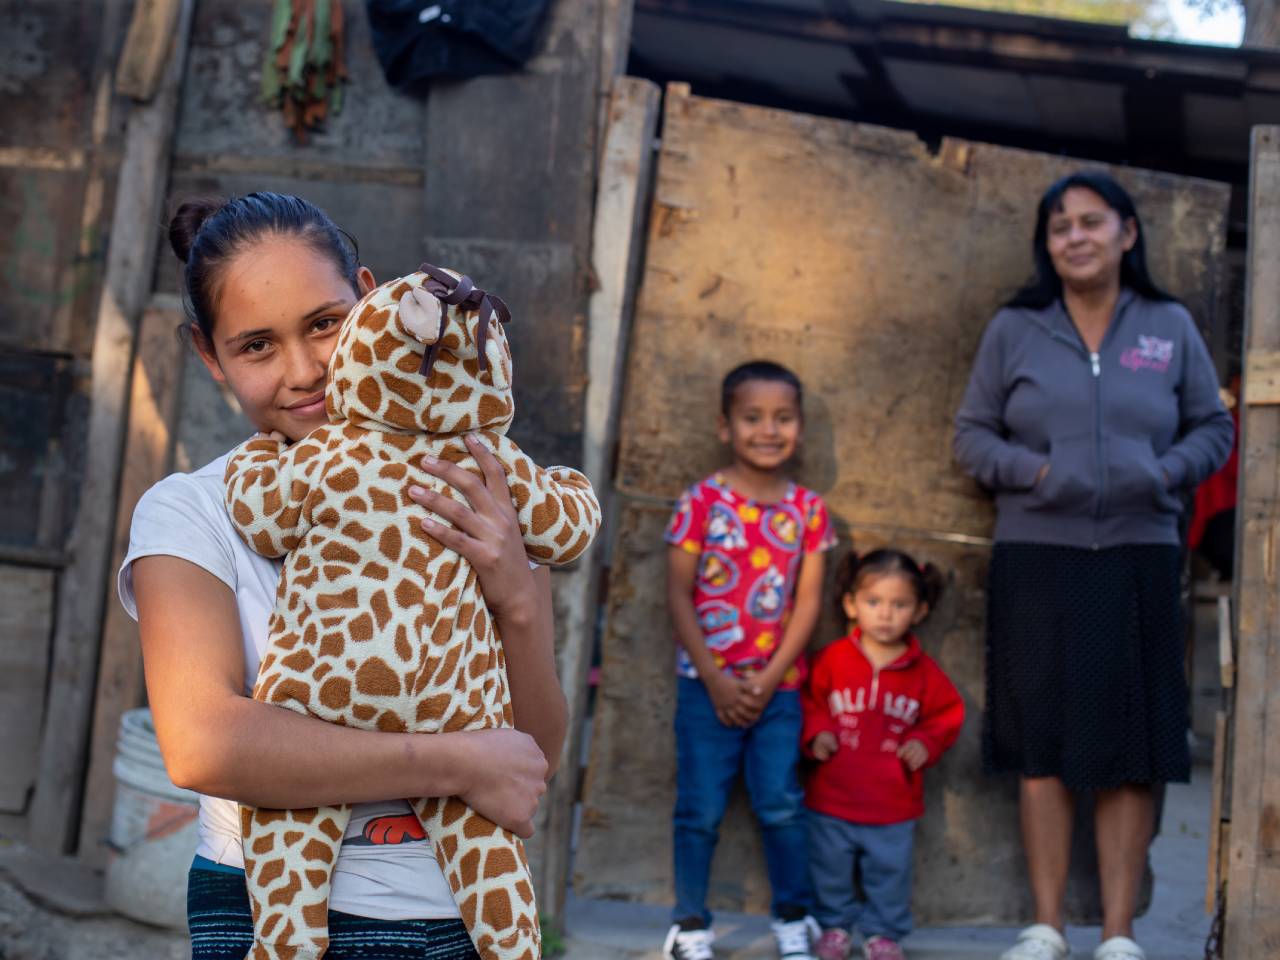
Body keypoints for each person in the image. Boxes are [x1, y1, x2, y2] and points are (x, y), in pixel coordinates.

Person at [119, 193, 566, 960]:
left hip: (466, 918)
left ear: (370, 296)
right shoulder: (193, 512)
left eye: (325, 323)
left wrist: (517, 596)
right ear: (208, 353)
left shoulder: (470, 486)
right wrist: (454, 760)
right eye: (257, 346)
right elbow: (204, 745)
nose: (305, 372)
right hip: (275, 916)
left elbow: (532, 759)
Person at [953, 171, 1233, 960]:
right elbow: (972, 434)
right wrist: (1037, 474)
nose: (1075, 237)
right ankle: (1046, 927)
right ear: (1047, 245)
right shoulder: (1018, 329)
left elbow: (1215, 427)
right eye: (1059, 227)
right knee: (1041, 742)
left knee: (1130, 749)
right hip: (1038, 553)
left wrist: (1166, 472)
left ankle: (1118, 935)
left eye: (1091, 222)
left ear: (1127, 233)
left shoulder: (1168, 325)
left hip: (1140, 553)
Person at [662, 360, 838, 960]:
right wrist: (714, 679)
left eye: (783, 418)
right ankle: (690, 925)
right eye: (753, 418)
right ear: (725, 426)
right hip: (703, 687)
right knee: (700, 809)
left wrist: (765, 680)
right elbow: (678, 595)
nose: (769, 430)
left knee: (781, 804)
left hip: (778, 691)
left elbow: (808, 603)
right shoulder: (701, 502)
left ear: (801, 427)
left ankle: (794, 916)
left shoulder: (809, 512)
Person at [802, 549, 964, 960]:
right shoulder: (832, 660)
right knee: (830, 873)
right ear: (851, 604)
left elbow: (948, 715)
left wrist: (926, 742)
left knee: (890, 875)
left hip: (893, 805)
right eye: (874, 602)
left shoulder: (924, 672)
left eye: (900, 604)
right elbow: (807, 700)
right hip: (831, 799)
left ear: (920, 610)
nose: (886, 615)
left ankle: (883, 933)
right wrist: (817, 731)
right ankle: (834, 927)